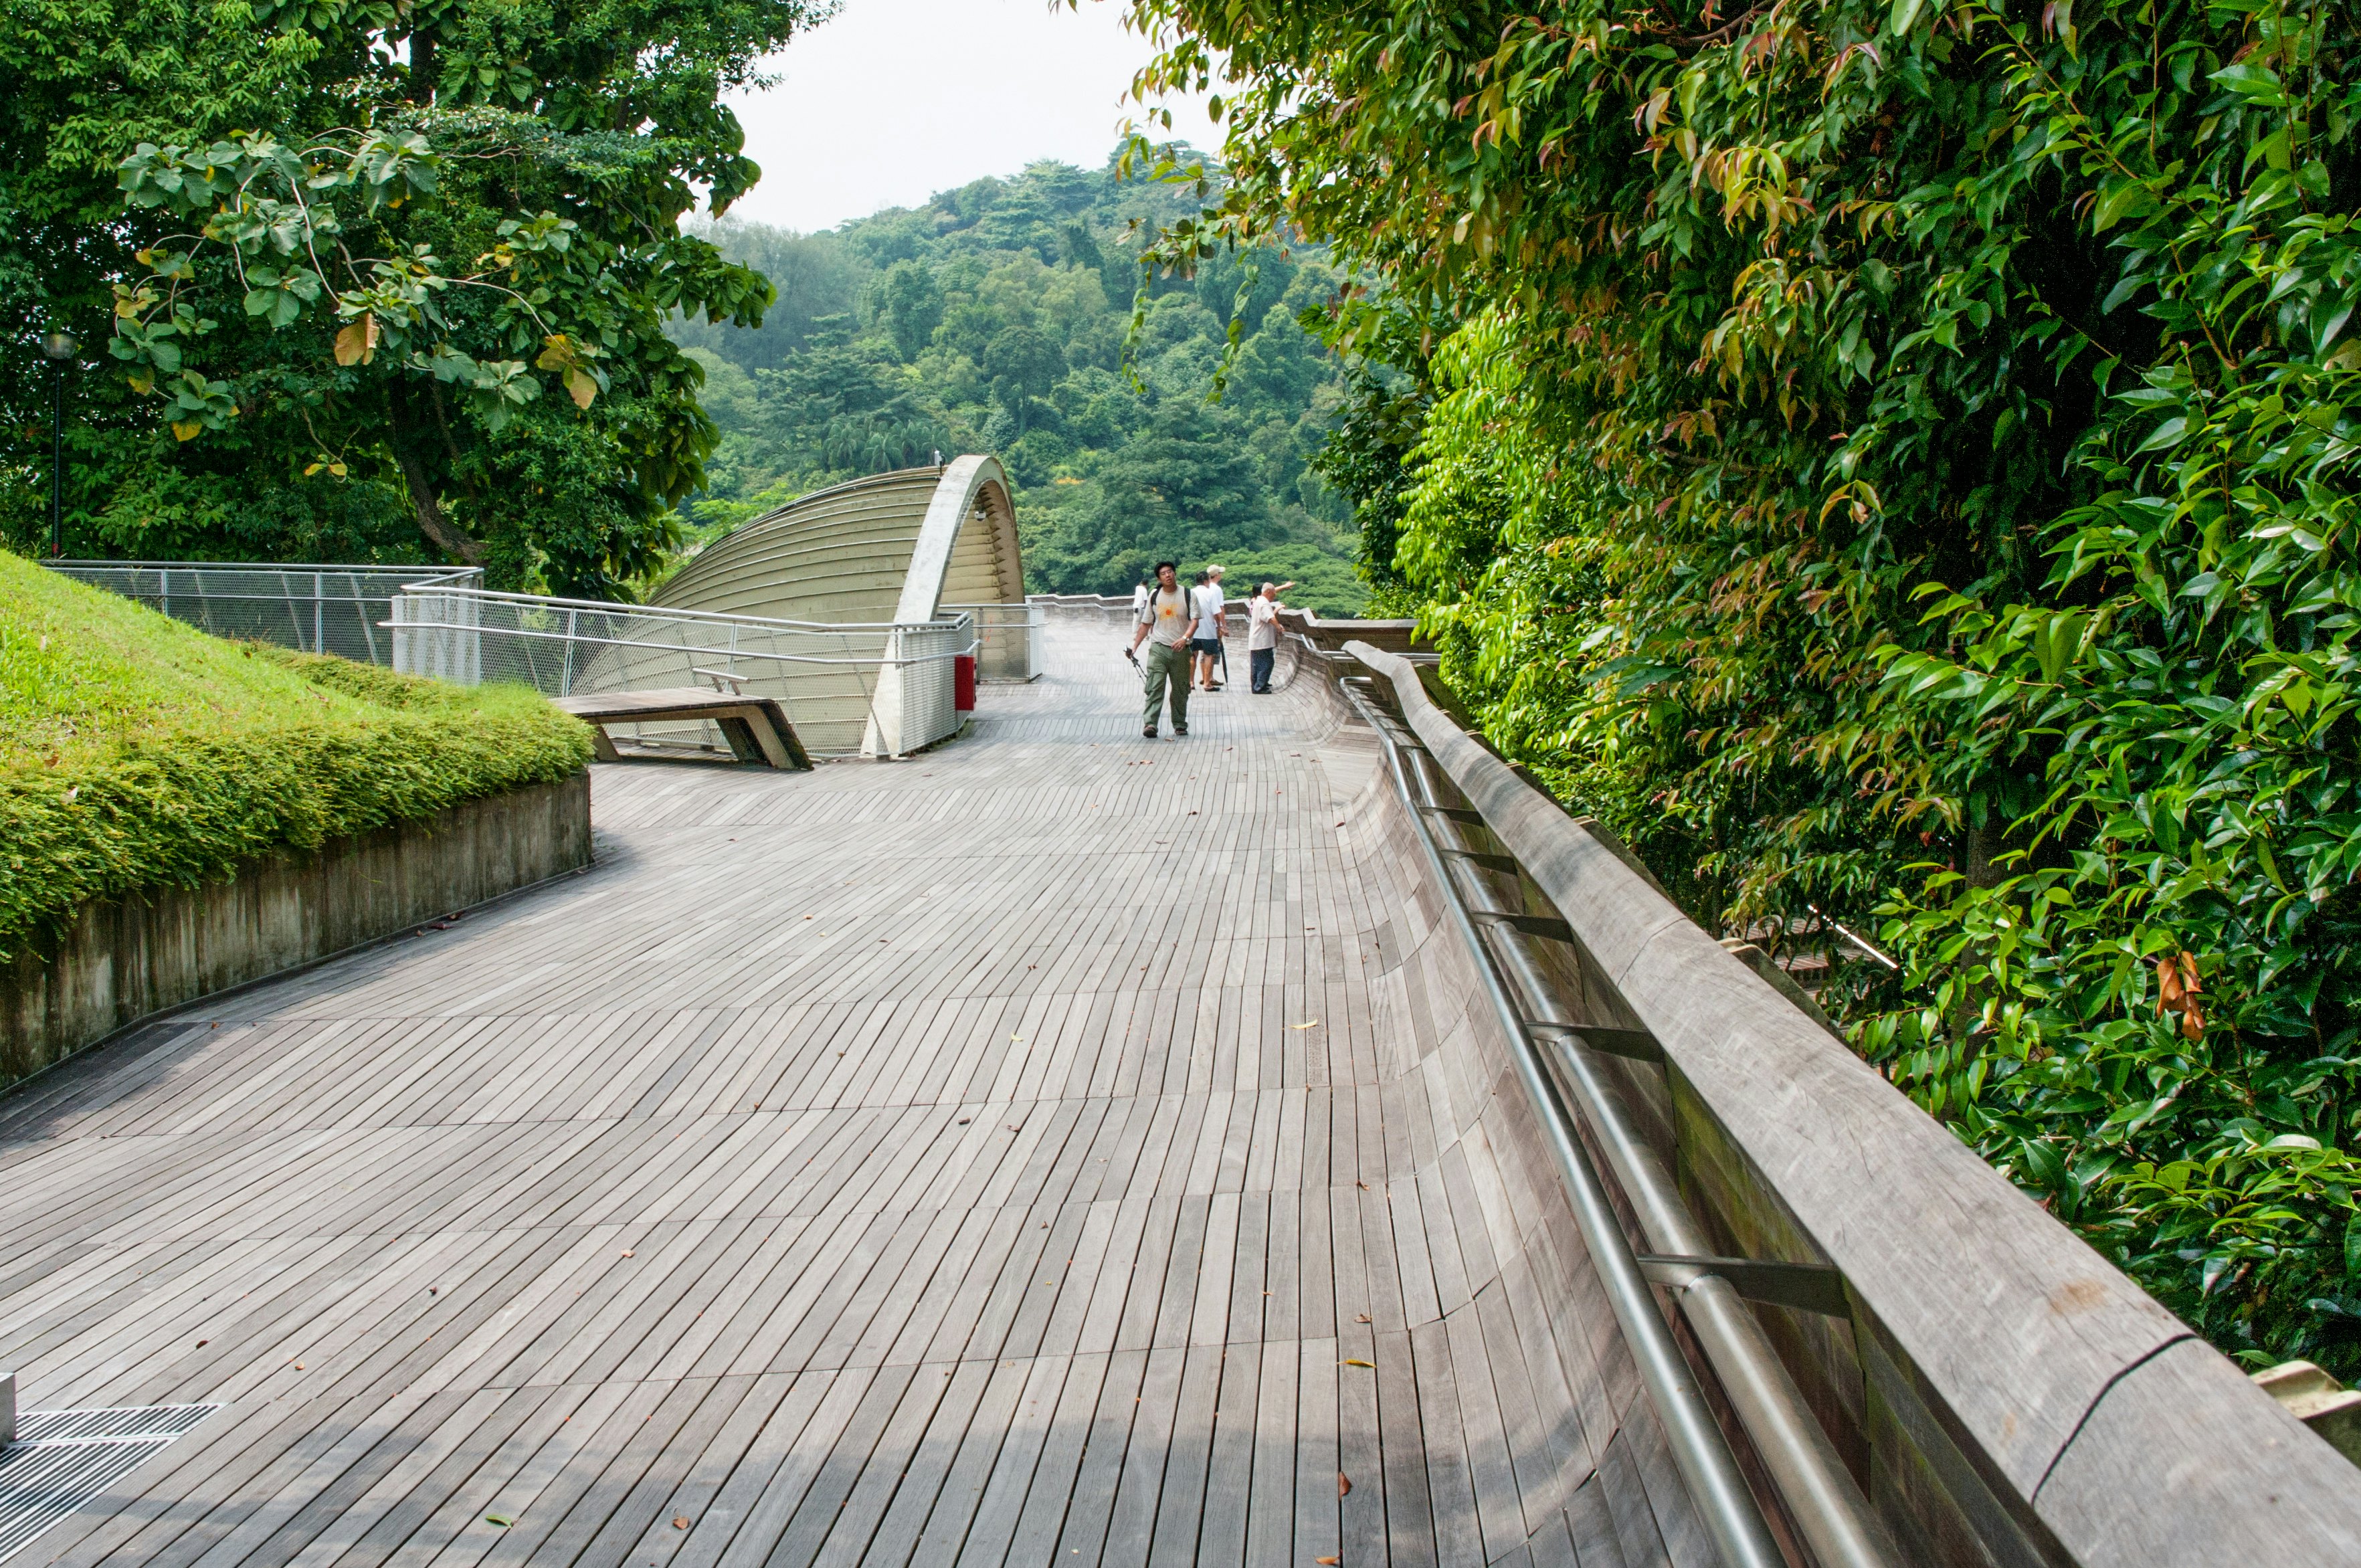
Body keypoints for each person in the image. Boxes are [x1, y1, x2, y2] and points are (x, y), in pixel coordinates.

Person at [1128, 561, 1194, 738]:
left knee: (1180, 689)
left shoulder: (1187, 594)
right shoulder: (1154, 596)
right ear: (1159, 578)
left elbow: (1195, 621)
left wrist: (1185, 638)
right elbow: (1146, 623)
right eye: (1164, 573)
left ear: (1175, 574)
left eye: (1170, 572)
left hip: (1181, 649)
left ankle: (1180, 724)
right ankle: (1150, 724)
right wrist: (1135, 647)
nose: (1168, 575)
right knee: (1155, 686)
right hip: (1158, 648)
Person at [1246, 579, 1293, 694]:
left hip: (1257, 640)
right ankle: (1259, 687)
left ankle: (1258, 685)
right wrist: (1279, 627)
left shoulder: (1259, 600)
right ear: (1267, 592)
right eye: (1273, 594)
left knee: (1258, 664)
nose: (1274, 596)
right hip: (1262, 640)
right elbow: (1270, 618)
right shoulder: (1264, 603)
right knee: (1266, 663)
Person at [1190, 564, 1226, 690]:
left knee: (1193, 655)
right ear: (1206, 581)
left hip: (1193, 631)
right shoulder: (1210, 593)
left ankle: (1191, 682)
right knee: (1209, 655)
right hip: (1208, 630)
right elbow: (1217, 613)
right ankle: (1207, 683)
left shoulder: (1190, 593)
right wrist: (1220, 626)